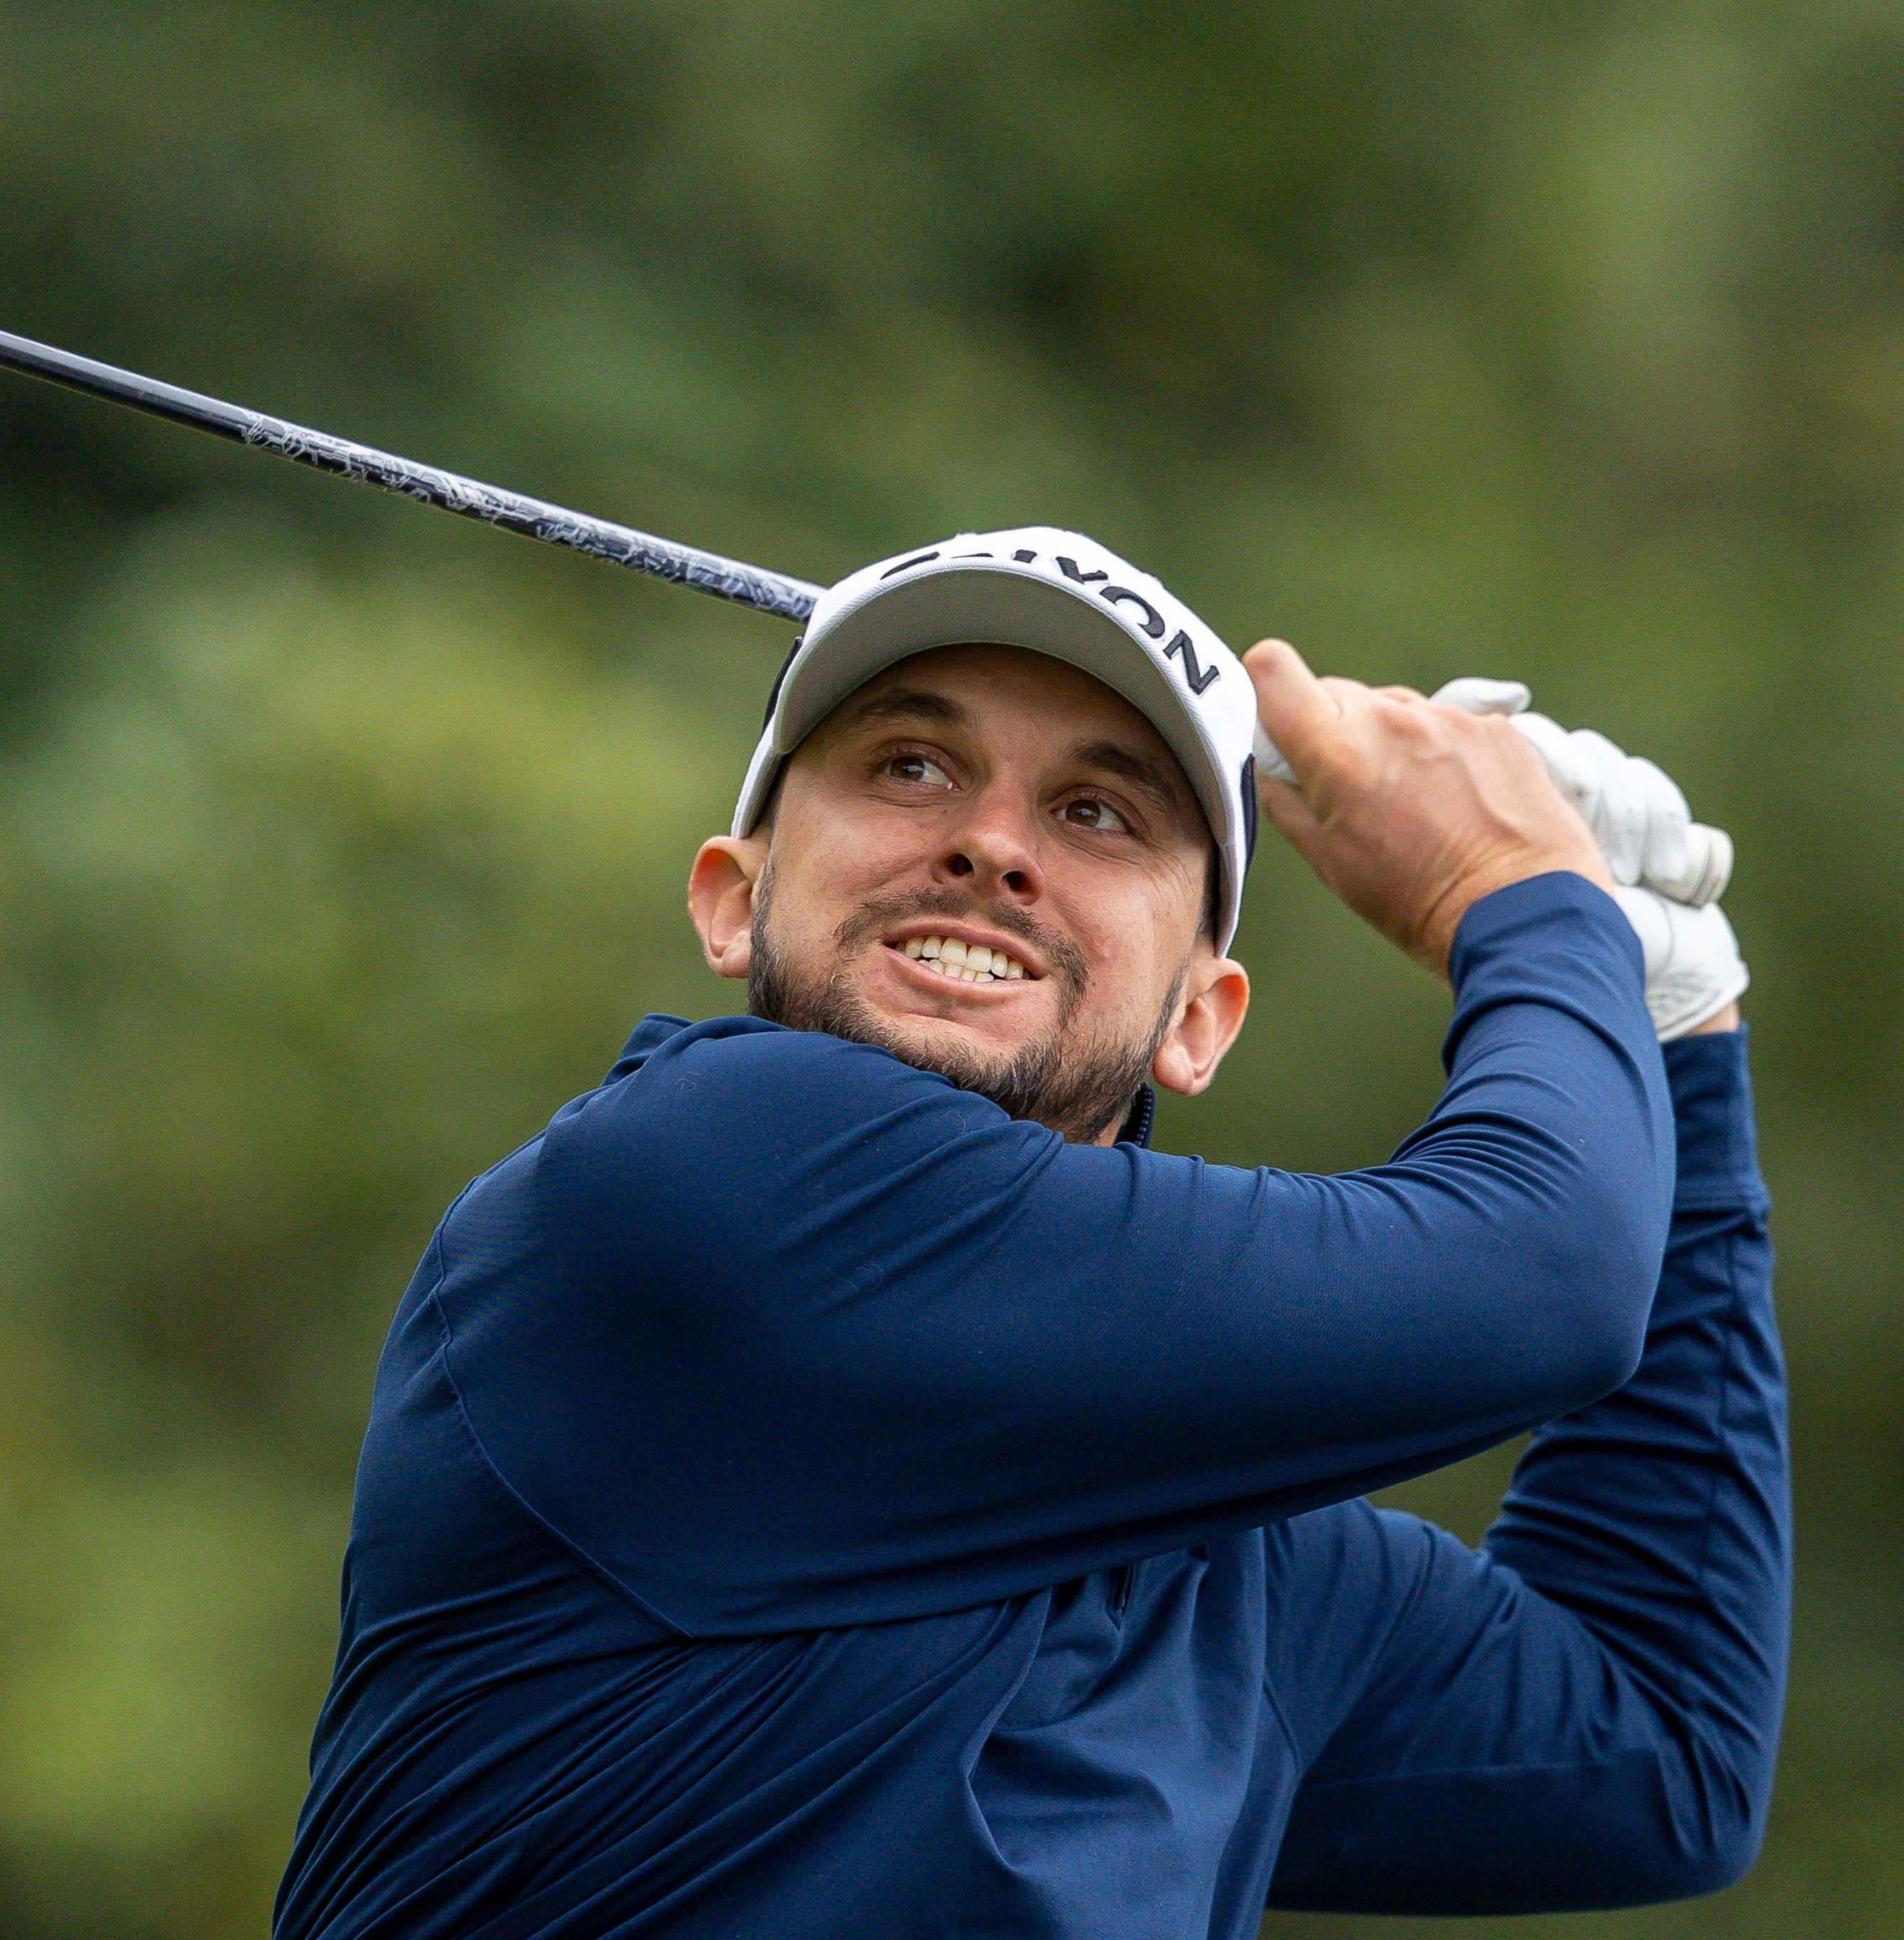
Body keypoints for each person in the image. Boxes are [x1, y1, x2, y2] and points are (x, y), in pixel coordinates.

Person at [270, 529, 1786, 1940]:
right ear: (730, 905)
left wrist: (1672, 1030)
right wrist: (1516, 898)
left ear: (1200, 1020)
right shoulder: (691, 1184)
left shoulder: (1238, 1567)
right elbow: (1542, 1277)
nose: (993, 845)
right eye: (912, 765)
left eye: (1094, 810)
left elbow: (1661, 1746)